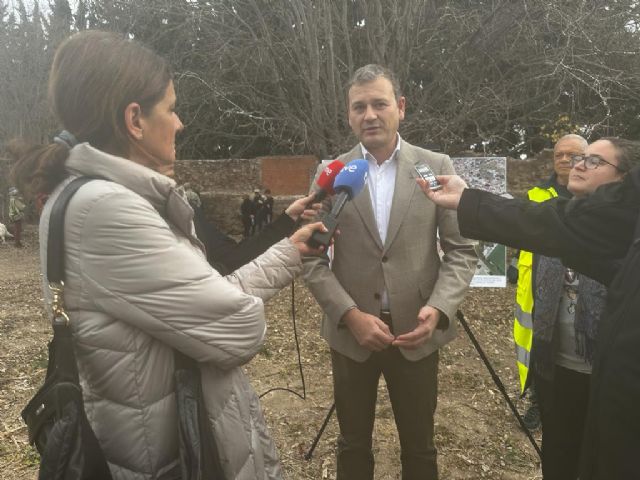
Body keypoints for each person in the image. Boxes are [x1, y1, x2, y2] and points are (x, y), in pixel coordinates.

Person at [9, 30, 327, 480]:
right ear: (134, 120)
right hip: (168, 457)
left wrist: (289, 251)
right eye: (172, 109)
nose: (179, 124)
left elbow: (203, 296)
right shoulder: (107, 209)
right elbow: (236, 327)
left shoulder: (91, 197)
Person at [418, 138, 640, 480]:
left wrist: (468, 200)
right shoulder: (552, 205)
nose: (576, 164)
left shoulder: (619, 221)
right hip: (556, 365)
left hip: (610, 381)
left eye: (592, 161)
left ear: (624, 179)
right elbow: (549, 229)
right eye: (569, 157)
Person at [303, 64, 477, 480]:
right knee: (352, 446)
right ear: (348, 115)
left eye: (379, 103)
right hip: (352, 335)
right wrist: (348, 314)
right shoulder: (332, 174)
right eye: (359, 107)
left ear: (400, 107)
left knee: (420, 448)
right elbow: (310, 256)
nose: (369, 115)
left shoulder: (434, 166)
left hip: (416, 332)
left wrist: (438, 309)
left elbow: (462, 250)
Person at [513, 134, 587, 431]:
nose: (565, 160)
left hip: (584, 288)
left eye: (573, 155)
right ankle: (537, 401)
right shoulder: (535, 195)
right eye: (560, 155)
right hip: (538, 289)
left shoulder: (599, 196)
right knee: (540, 346)